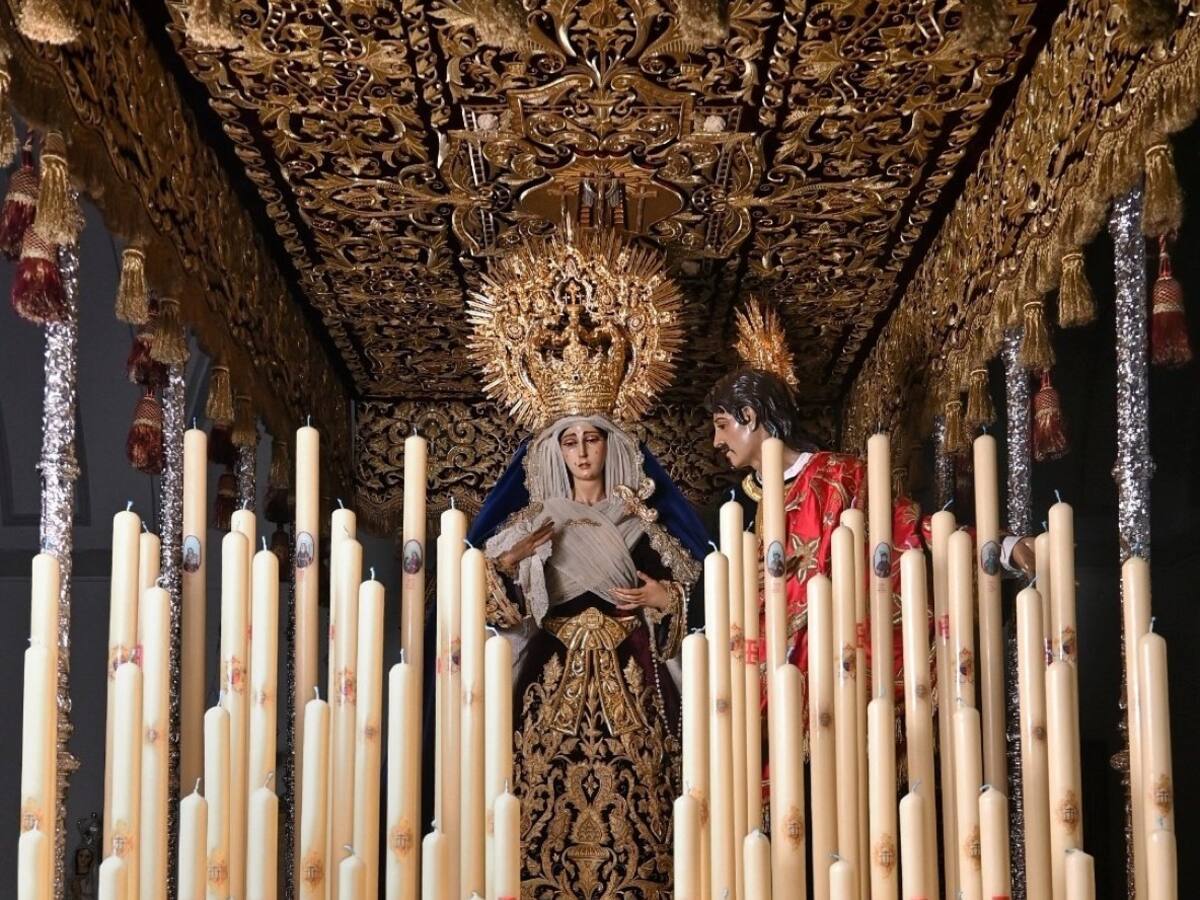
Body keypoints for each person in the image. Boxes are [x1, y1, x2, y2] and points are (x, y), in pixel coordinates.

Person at [471, 414, 705, 898]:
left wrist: (662, 598)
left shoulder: (641, 523)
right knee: (540, 782)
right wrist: (511, 562)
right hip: (551, 671)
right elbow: (494, 607)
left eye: (591, 440)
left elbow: (696, 598)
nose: (581, 452)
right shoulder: (535, 522)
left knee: (644, 785)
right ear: (556, 452)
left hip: (631, 665)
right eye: (570, 442)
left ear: (608, 446)